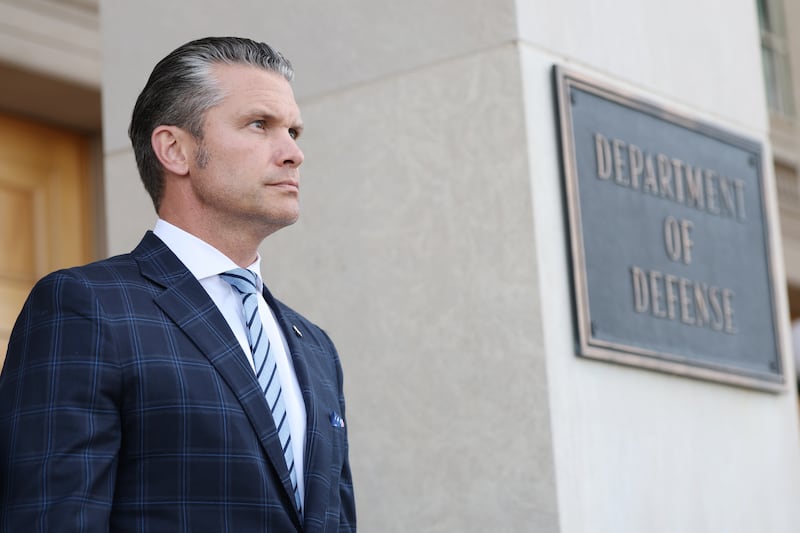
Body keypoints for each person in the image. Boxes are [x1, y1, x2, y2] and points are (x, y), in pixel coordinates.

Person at [0, 36, 355, 532]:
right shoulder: (87, 307)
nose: (293, 153)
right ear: (175, 149)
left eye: (294, 131)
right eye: (260, 124)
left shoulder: (315, 347)